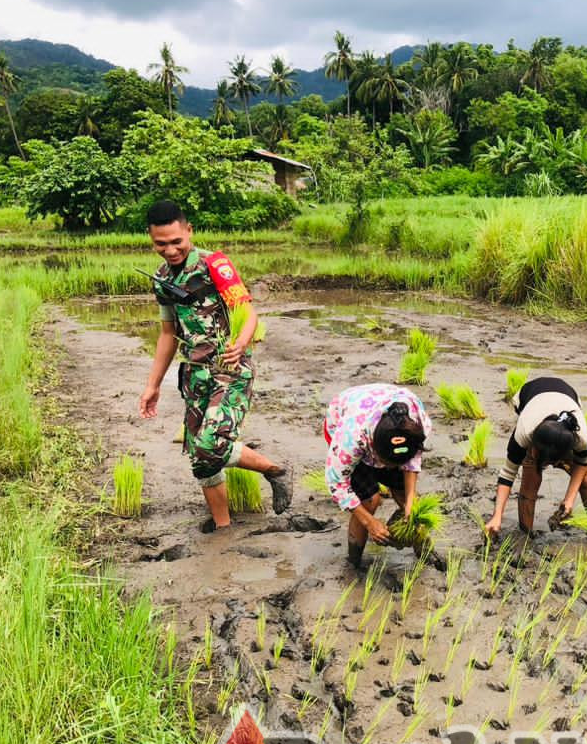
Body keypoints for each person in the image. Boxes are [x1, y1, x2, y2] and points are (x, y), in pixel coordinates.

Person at [137, 200, 293, 532]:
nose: (170, 250)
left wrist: (242, 341)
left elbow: (247, 312)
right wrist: (152, 385)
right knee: (200, 459)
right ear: (151, 240)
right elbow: (168, 334)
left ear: (188, 231)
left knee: (210, 444)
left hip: (229, 368)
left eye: (176, 241)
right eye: (160, 244)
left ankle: (274, 471)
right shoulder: (162, 278)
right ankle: (223, 529)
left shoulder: (214, 265)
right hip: (194, 374)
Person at [324, 384, 431, 567]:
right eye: (386, 464)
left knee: (409, 503)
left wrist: (411, 499)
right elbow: (337, 483)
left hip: (382, 411)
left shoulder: (416, 428)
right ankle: (353, 563)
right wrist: (370, 522)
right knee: (369, 501)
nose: (388, 468)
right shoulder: (351, 439)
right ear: (373, 450)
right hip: (345, 415)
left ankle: (425, 553)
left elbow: (412, 462)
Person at [485, 376, 587, 537]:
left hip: (568, 395)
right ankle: (526, 535)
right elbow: (507, 474)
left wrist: (569, 499)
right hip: (528, 396)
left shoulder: (581, 437)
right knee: (530, 477)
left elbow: (583, 464)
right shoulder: (525, 432)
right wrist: (497, 516)